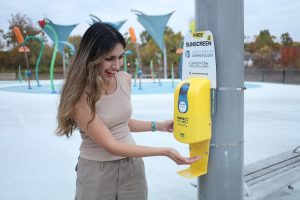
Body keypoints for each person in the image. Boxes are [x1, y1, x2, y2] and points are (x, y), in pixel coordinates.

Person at [56, 22, 200, 200]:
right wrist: (166, 151)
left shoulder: (124, 79)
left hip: (133, 169)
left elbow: (121, 122)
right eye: (109, 58)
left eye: (120, 57)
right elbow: (112, 146)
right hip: (97, 173)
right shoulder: (79, 94)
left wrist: (158, 125)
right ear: (91, 57)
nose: (117, 65)